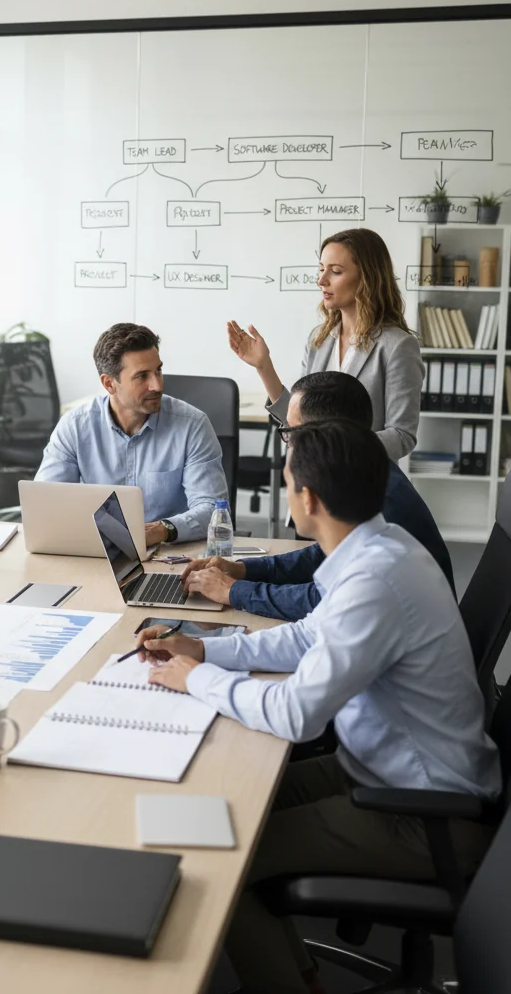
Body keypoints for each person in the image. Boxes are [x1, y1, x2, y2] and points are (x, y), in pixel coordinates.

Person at [136, 419, 499, 994]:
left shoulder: (375, 580)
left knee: (220, 864)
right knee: (230, 801)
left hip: (426, 814)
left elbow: (296, 714)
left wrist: (198, 678)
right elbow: (306, 637)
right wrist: (203, 648)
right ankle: (303, 978)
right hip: (385, 768)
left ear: (306, 497)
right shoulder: (380, 547)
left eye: (287, 479)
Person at [183, 371, 454, 619]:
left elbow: (324, 601)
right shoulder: (366, 471)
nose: (289, 444)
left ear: (324, 435)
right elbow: (322, 557)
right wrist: (242, 569)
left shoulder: (382, 499)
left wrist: (233, 591)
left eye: (290, 431)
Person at [227, 227, 424, 461]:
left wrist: (335, 446)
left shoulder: (398, 346)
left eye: (336, 271)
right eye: (321, 270)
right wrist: (263, 366)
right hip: (314, 478)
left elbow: (402, 436)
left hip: (363, 482)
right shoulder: (318, 339)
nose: (321, 280)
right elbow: (298, 418)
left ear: (367, 278)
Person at [35, 323, 228, 545]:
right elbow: (45, 504)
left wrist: (161, 530)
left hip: (170, 554)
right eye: (142, 376)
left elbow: (214, 511)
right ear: (109, 383)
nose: (157, 385)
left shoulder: (192, 425)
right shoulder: (75, 426)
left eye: (158, 371)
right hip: (100, 552)